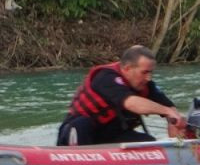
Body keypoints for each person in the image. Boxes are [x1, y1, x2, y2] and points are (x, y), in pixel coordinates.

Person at [56, 44, 186, 146]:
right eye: (144, 72)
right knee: (82, 124)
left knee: (149, 142)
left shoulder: (146, 85)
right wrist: (166, 111)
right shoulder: (105, 77)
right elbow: (131, 103)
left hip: (111, 135)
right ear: (127, 68)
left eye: (151, 72)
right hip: (78, 131)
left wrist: (175, 123)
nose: (148, 78)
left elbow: (170, 108)